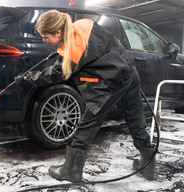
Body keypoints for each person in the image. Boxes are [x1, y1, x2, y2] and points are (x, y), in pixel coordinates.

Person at [14, 10, 155, 182]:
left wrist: (29, 78)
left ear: (58, 32)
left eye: (45, 37)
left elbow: (54, 75)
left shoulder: (72, 51)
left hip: (110, 83)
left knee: (86, 126)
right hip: (129, 72)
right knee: (135, 118)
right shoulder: (84, 24)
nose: (44, 40)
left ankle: (71, 171)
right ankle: (148, 164)